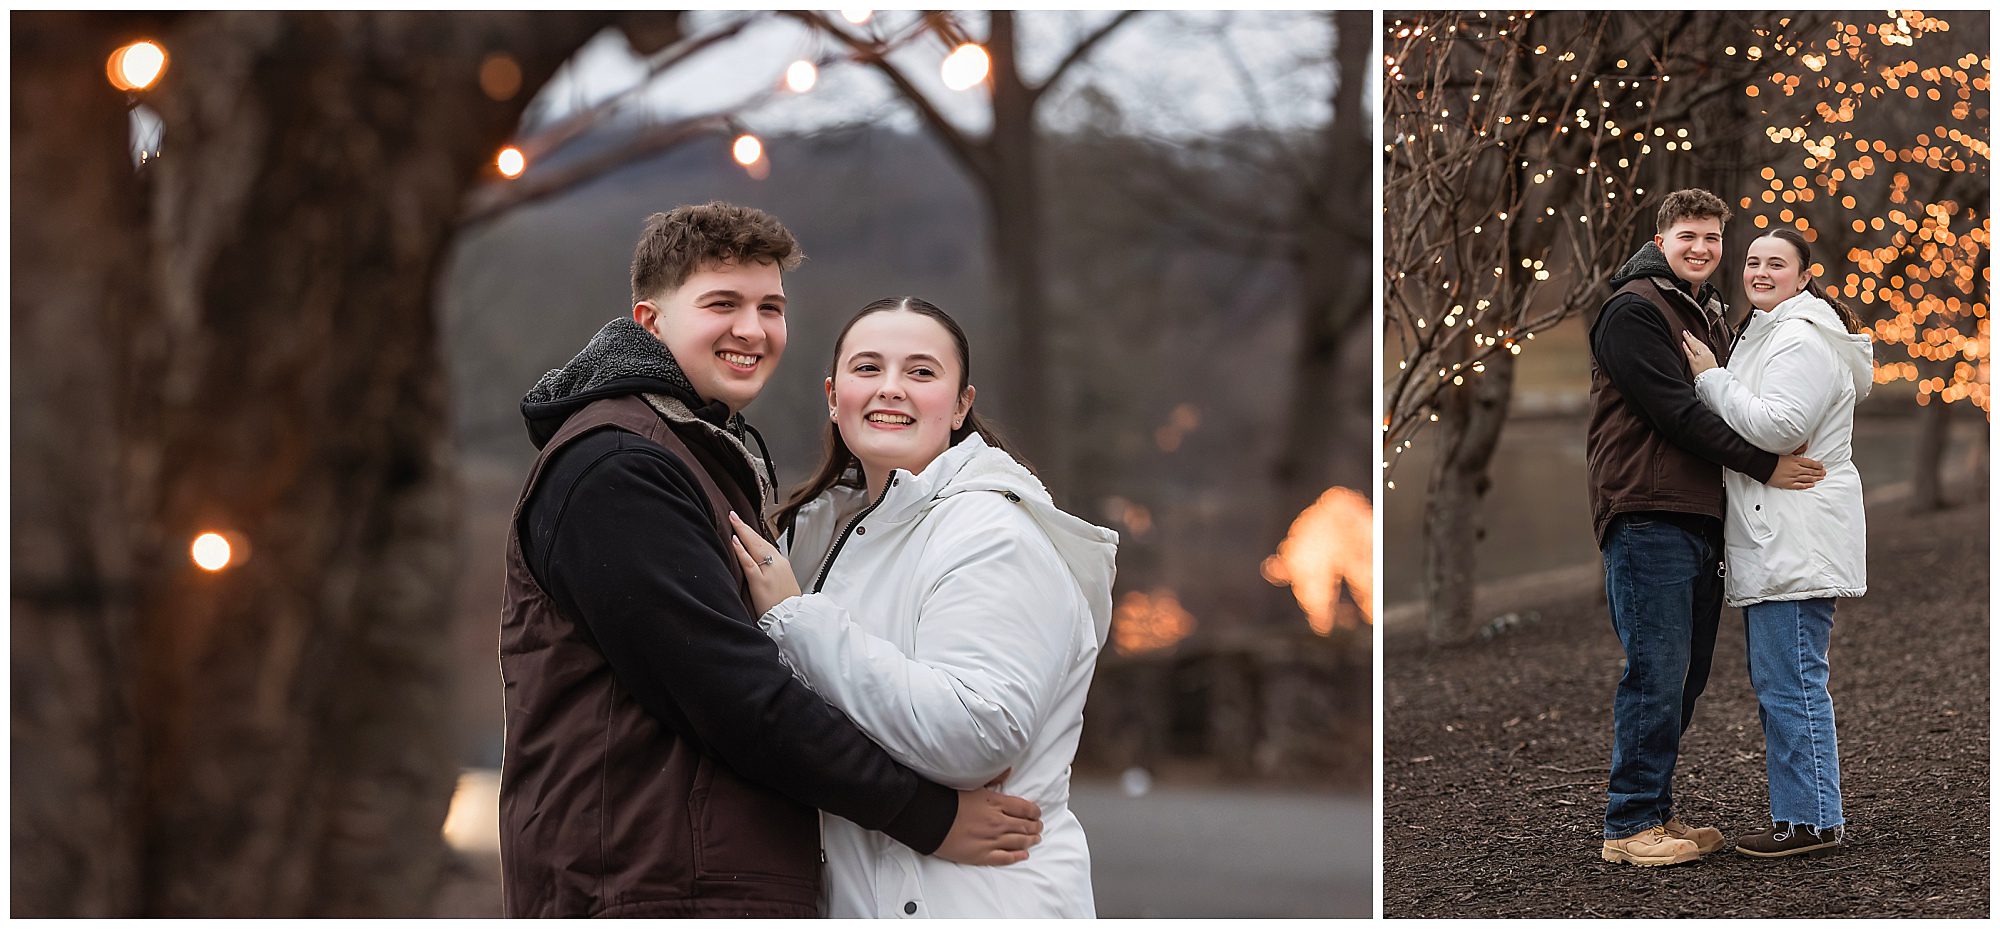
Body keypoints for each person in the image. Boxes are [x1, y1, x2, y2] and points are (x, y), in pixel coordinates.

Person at [497, 205, 1042, 918]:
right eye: (722, 303)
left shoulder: (697, 450)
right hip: (645, 885)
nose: (752, 329)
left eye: (770, 307)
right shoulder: (618, 467)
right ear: (650, 320)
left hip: (688, 878)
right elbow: (736, 696)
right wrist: (926, 815)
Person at [724, 297, 1117, 917]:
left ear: (961, 404)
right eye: (868, 368)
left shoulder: (992, 532)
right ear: (833, 395)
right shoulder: (815, 536)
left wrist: (796, 619)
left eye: (921, 372)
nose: (890, 389)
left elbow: (976, 732)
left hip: (979, 900)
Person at [1586, 188, 1830, 867]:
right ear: (1661, 240)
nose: (1701, 248)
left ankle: (1656, 813)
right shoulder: (1634, 309)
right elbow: (1676, 412)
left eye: (1712, 239)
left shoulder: (1701, 311)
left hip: (1697, 515)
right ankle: (1629, 823)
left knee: (1684, 675)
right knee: (1656, 672)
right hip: (1647, 512)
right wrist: (1766, 465)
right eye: (1688, 235)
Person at [1681, 227, 1871, 858]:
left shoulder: (1799, 336)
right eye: (1753, 261)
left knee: (1792, 680)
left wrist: (1709, 379)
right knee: (1782, 679)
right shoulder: (1768, 331)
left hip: (1795, 532)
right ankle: (1801, 816)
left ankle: (1813, 821)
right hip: (1779, 529)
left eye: (1776, 263)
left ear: (1803, 275)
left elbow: (1781, 424)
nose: (1760, 271)